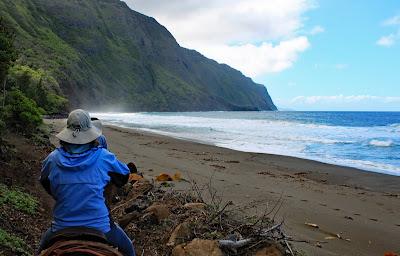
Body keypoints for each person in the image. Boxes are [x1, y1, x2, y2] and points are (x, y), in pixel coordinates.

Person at [38, 109, 136, 256]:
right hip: (100, 227)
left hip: (62, 226)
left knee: (40, 250)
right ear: (91, 134)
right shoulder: (104, 157)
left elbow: (45, 182)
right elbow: (124, 176)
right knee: (128, 248)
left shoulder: (53, 159)